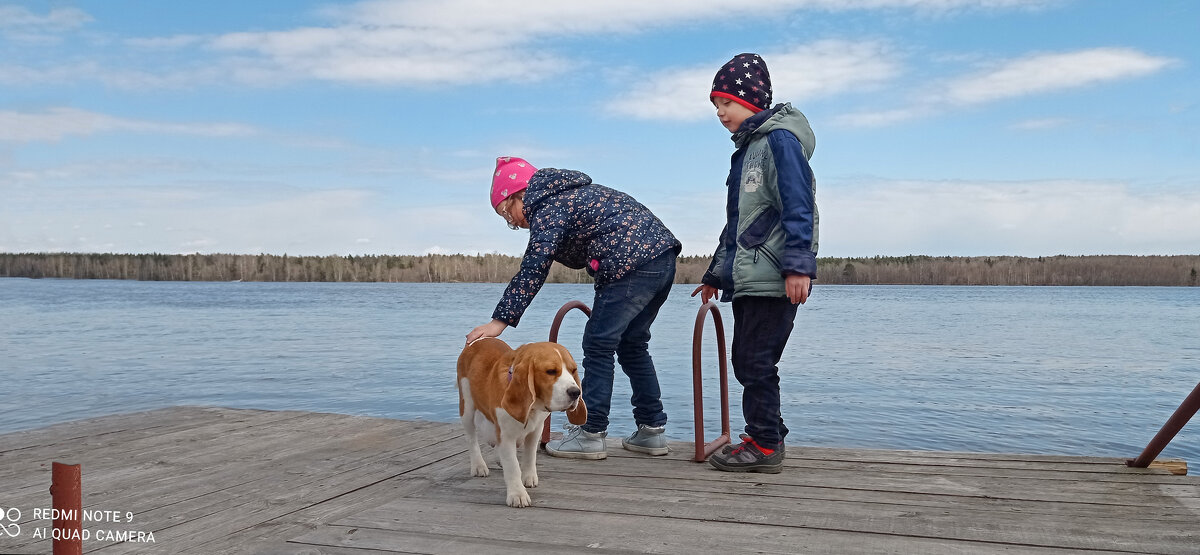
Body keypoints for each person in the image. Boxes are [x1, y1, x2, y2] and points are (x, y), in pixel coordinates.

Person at [467, 156, 683, 460]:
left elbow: (534, 267)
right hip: (662, 259)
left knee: (598, 344)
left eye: (507, 212)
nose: (513, 221)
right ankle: (651, 431)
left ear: (518, 194)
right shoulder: (566, 195)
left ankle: (591, 433)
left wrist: (499, 321)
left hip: (630, 265)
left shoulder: (548, 206)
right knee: (633, 345)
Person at [693, 53, 818, 473]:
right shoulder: (747, 152)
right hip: (748, 278)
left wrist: (798, 265)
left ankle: (765, 445)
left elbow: (799, 205)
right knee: (747, 359)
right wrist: (716, 273)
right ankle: (767, 432)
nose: (720, 113)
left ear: (751, 100)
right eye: (716, 107)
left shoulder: (780, 142)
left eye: (725, 103)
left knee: (755, 361)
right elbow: (737, 224)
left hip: (775, 276)